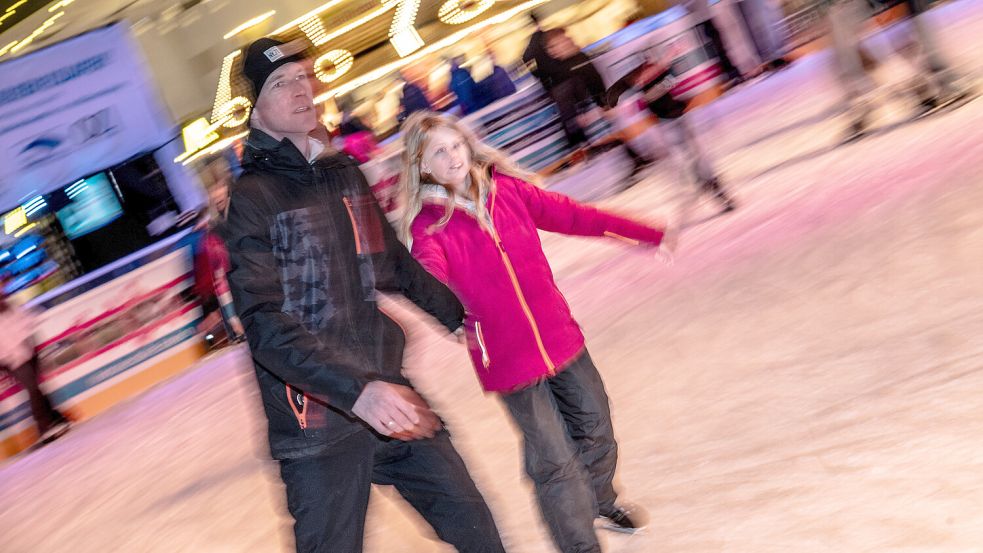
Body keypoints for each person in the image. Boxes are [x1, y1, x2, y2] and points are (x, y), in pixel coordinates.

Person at [222, 37, 505, 553]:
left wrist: (461, 316)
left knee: (477, 530)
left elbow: (390, 261)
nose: (301, 90)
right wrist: (356, 391)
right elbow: (263, 323)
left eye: (305, 76)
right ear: (256, 105)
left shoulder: (341, 173)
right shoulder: (252, 200)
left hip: (387, 391)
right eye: (282, 83)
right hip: (318, 421)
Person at [398, 111, 673, 553]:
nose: (452, 157)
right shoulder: (429, 227)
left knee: (596, 426)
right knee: (554, 461)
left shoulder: (506, 193)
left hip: (561, 336)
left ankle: (600, 501)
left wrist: (645, 234)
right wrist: (440, 305)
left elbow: (576, 217)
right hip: (508, 361)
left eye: (456, 145)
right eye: (439, 152)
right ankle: (579, 545)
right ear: (423, 166)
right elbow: (429, 277)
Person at [606, 50, 737, 212]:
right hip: (666, 125)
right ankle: (705, 183)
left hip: (678, 120)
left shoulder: (660, 71)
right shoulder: (634, 80)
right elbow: (613, 95)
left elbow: (671, 87)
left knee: (694, 156)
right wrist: (614, 104)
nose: (647, 70)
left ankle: (710, 186)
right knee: (688, 159)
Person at [0, 278, 71, 446]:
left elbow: (26, 322)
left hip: (26, 349)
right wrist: (10, 357)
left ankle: (55, 417)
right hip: (11, 358)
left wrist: (31, 345)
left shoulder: (10, 304)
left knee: (37, 387)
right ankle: (44, 426)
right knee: (33, 387)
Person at [193, 157, 245, 345]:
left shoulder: (246, 214)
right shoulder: (212, 234)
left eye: (220, 186)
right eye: (211, 190)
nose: (216, 194)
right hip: (235, 296)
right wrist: (226, 315)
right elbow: (216, 276)